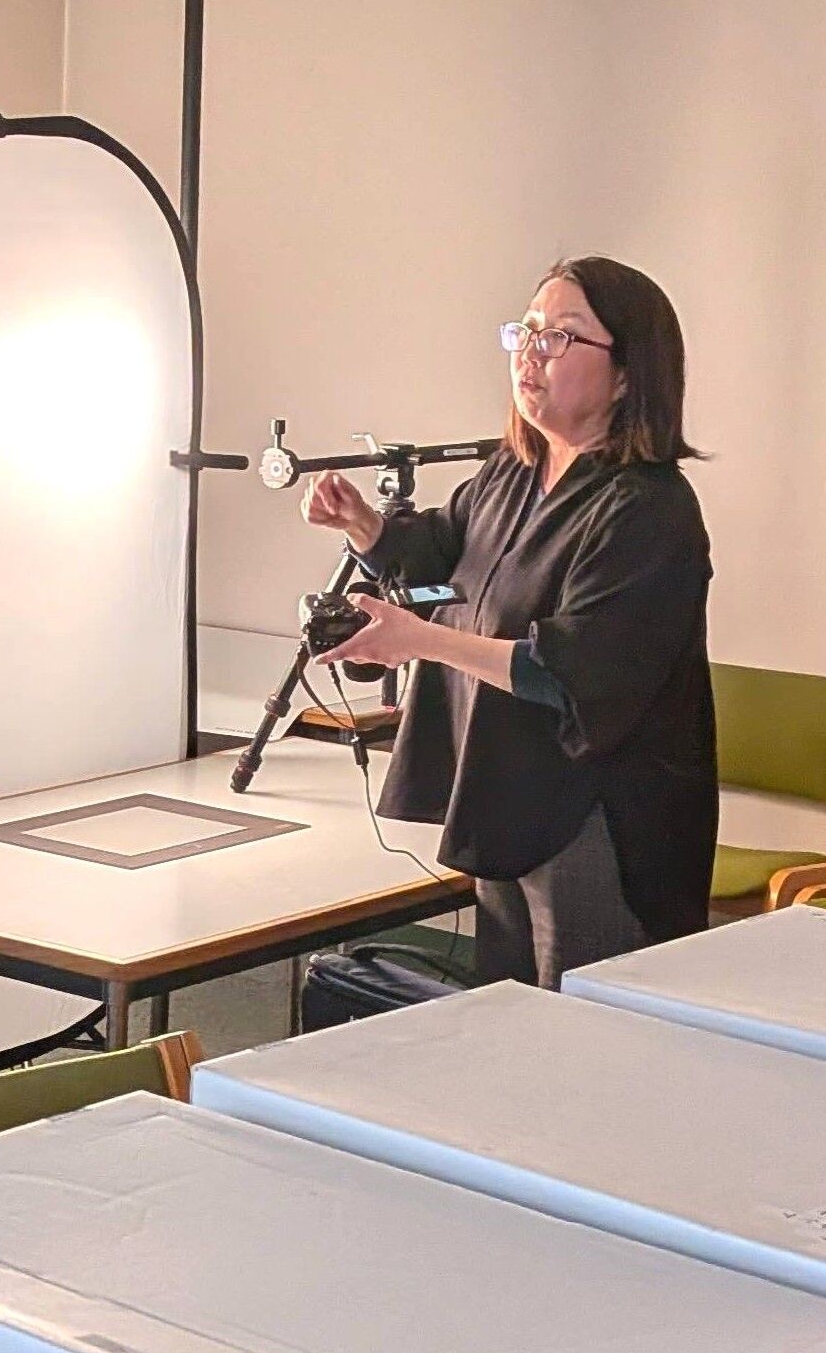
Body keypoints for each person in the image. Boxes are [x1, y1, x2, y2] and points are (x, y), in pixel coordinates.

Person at [301, 257, 715, 988]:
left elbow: (573, 670)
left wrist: (421, 641)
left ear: (627, 374)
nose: (530, 352)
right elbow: (444, 561)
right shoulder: (512, 472)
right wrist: (366, 527)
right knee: (505, 1008)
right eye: (525, 331)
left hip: (599, 814)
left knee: (582, 1024)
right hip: (504, 789)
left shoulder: (649, 509)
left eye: (561, 337)